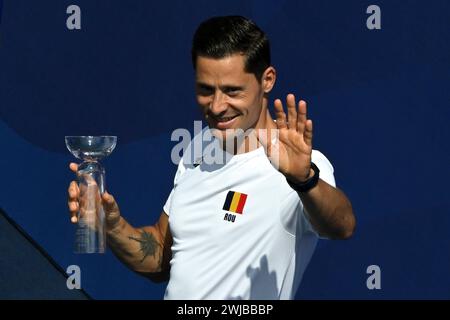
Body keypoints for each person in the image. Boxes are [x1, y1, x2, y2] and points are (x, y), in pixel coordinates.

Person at [67, 15, 355, 299]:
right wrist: (112, 226)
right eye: (206, 90)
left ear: (267, 80)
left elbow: (341, 226)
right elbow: (158, 260)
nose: (217, 107)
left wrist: (304, 180)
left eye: (232, 91)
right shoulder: (197, 147)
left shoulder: (303, 169)